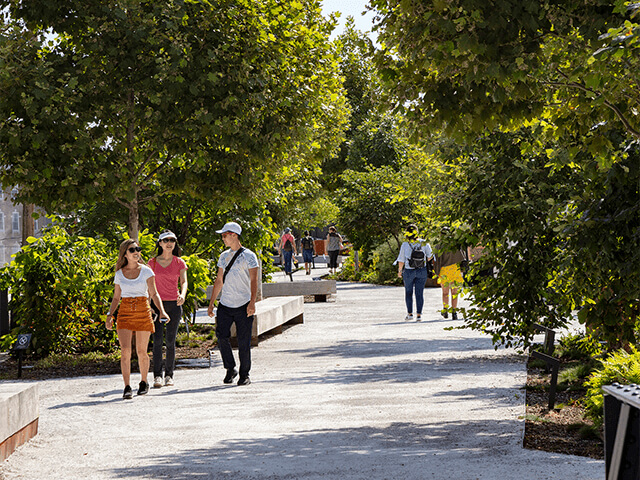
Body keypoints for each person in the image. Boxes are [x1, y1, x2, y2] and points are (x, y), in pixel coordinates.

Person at [105, 239, 169, 399]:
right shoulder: (119, 274)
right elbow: (116, 297)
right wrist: (109, 315)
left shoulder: (147, 271)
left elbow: (154, 294)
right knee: (125, 351)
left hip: (142, 310)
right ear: (125, 254)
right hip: (125, 311)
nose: (136, 252)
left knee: (142, 351)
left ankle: (143, 381)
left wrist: (162, 311)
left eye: (137, 249)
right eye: (132, 250)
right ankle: (127, 386)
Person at [207, 222, 259, 386]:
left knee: (244, 341)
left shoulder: (249, 256)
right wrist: (211, 303)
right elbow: (219, 280)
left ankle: (245, 375)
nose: (222, 238)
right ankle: (230, 368)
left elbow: (254, 280)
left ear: (234, 235)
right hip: (225, 304)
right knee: (222, 337)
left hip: (243, 304)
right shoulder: (224, 256)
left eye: (224, 235)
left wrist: (252, 302)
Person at [148, 230, 188, 389]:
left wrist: (183, 295)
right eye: (166, 240)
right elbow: (147, 285)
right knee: (157, 341)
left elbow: (184, 282)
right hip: (156, 306)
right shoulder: (152, 263)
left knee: (170, 342)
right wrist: (148, 303)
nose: (169, 243)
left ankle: (169, 376)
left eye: (172, 240)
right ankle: (157, 376)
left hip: (174, 305)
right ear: (160, 243)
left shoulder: (179, 262)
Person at [395, 224, 434, 322]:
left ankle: (410, 314)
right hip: (422, 270)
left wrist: (400, 272)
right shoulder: (424, 243)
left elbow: (401, 260)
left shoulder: (405, 245)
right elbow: (430, 257)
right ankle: (419, 315)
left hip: (409, 271)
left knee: (408, 292)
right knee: (419, 293)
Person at [434, 229, 466, 320]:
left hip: (444, 271)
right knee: (454, 292)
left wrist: (436, 273)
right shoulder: (455, 245)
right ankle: (454, 312)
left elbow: (437, 261)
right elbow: (462, 258)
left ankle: (445, 310)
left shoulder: (439, 246)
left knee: (445, 292)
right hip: (455, 270)